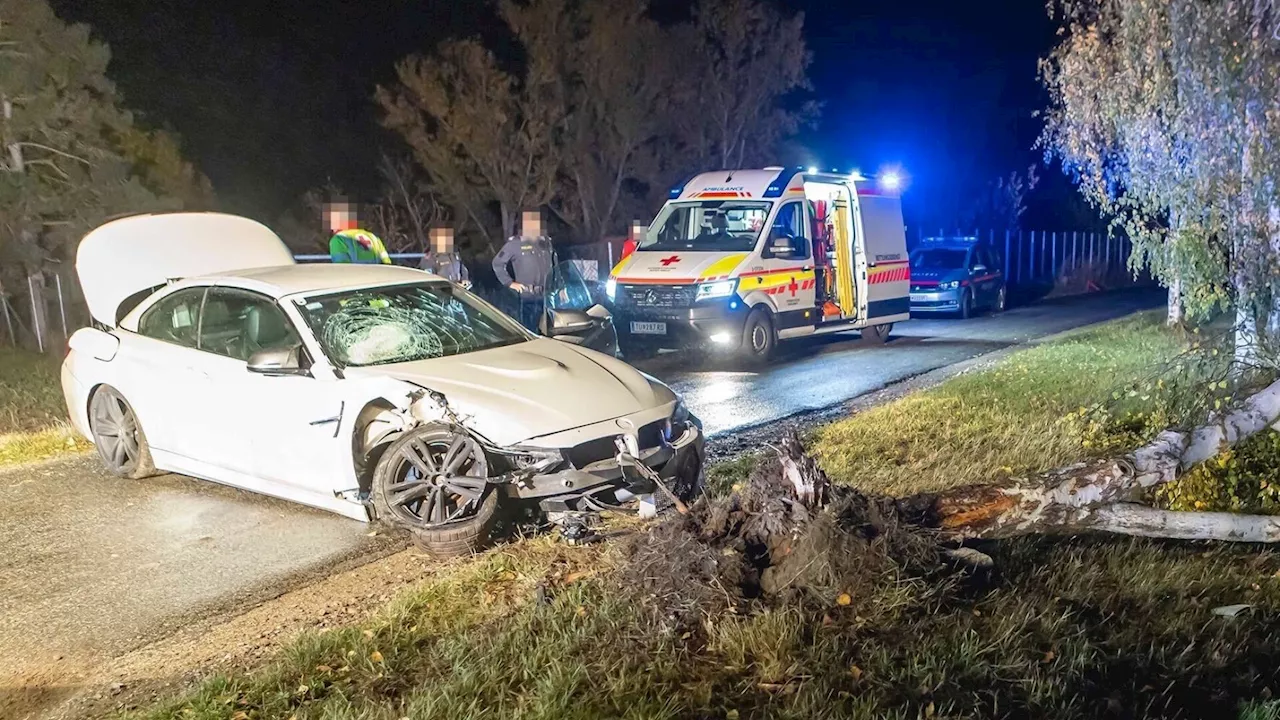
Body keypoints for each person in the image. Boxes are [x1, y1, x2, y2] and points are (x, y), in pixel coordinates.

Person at [492, 209, 555, 332]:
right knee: (530, 333)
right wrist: (510, 283)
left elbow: (554, 264)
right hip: (527, 298)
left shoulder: (545, 242)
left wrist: (559, 286)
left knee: (551, 334)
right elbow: (497, 263)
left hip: (548, 297)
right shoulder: (515, 244)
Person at [325, 199, 391, 265]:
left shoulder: (338, 239)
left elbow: (342, 268)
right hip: (377, 275)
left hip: (355, 275)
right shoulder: (373, 237)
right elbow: (387, 265)